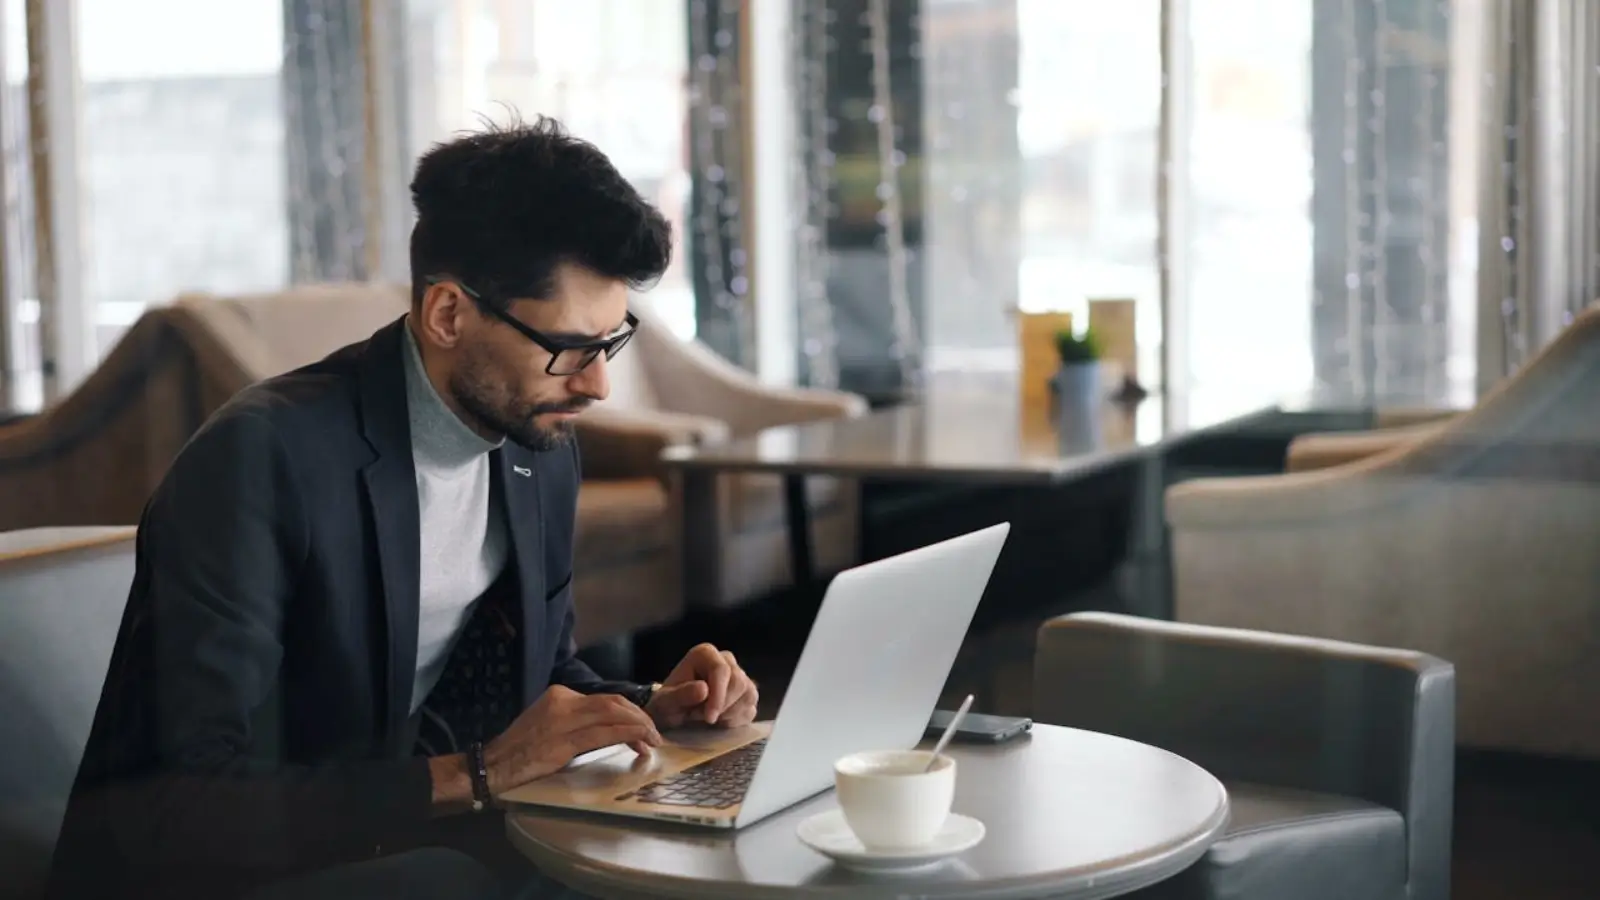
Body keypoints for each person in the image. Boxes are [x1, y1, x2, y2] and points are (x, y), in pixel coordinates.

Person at [48, 116, 757, 900]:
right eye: (568, 348)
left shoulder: (533, 444)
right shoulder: (261, 462)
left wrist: (652, 705)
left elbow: (540, 673)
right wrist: (482, 775)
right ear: (448, 314)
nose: (597, 386)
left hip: (398, 827)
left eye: (609, 341)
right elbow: (176, 809)